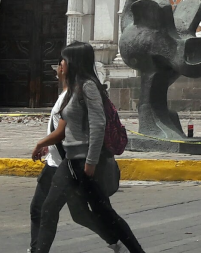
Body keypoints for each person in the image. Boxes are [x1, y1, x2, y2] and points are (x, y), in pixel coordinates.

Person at [32, 42, 144, 254]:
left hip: (86, 162)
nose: (60, 64)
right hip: (71, 161)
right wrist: (43, 143)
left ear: (73, 61)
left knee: (105, 213)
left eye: (63, 59)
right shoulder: (73, 89)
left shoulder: (88, 86)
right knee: (48, 209)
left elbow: (98, 123)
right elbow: (65, 128)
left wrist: (91, 162)